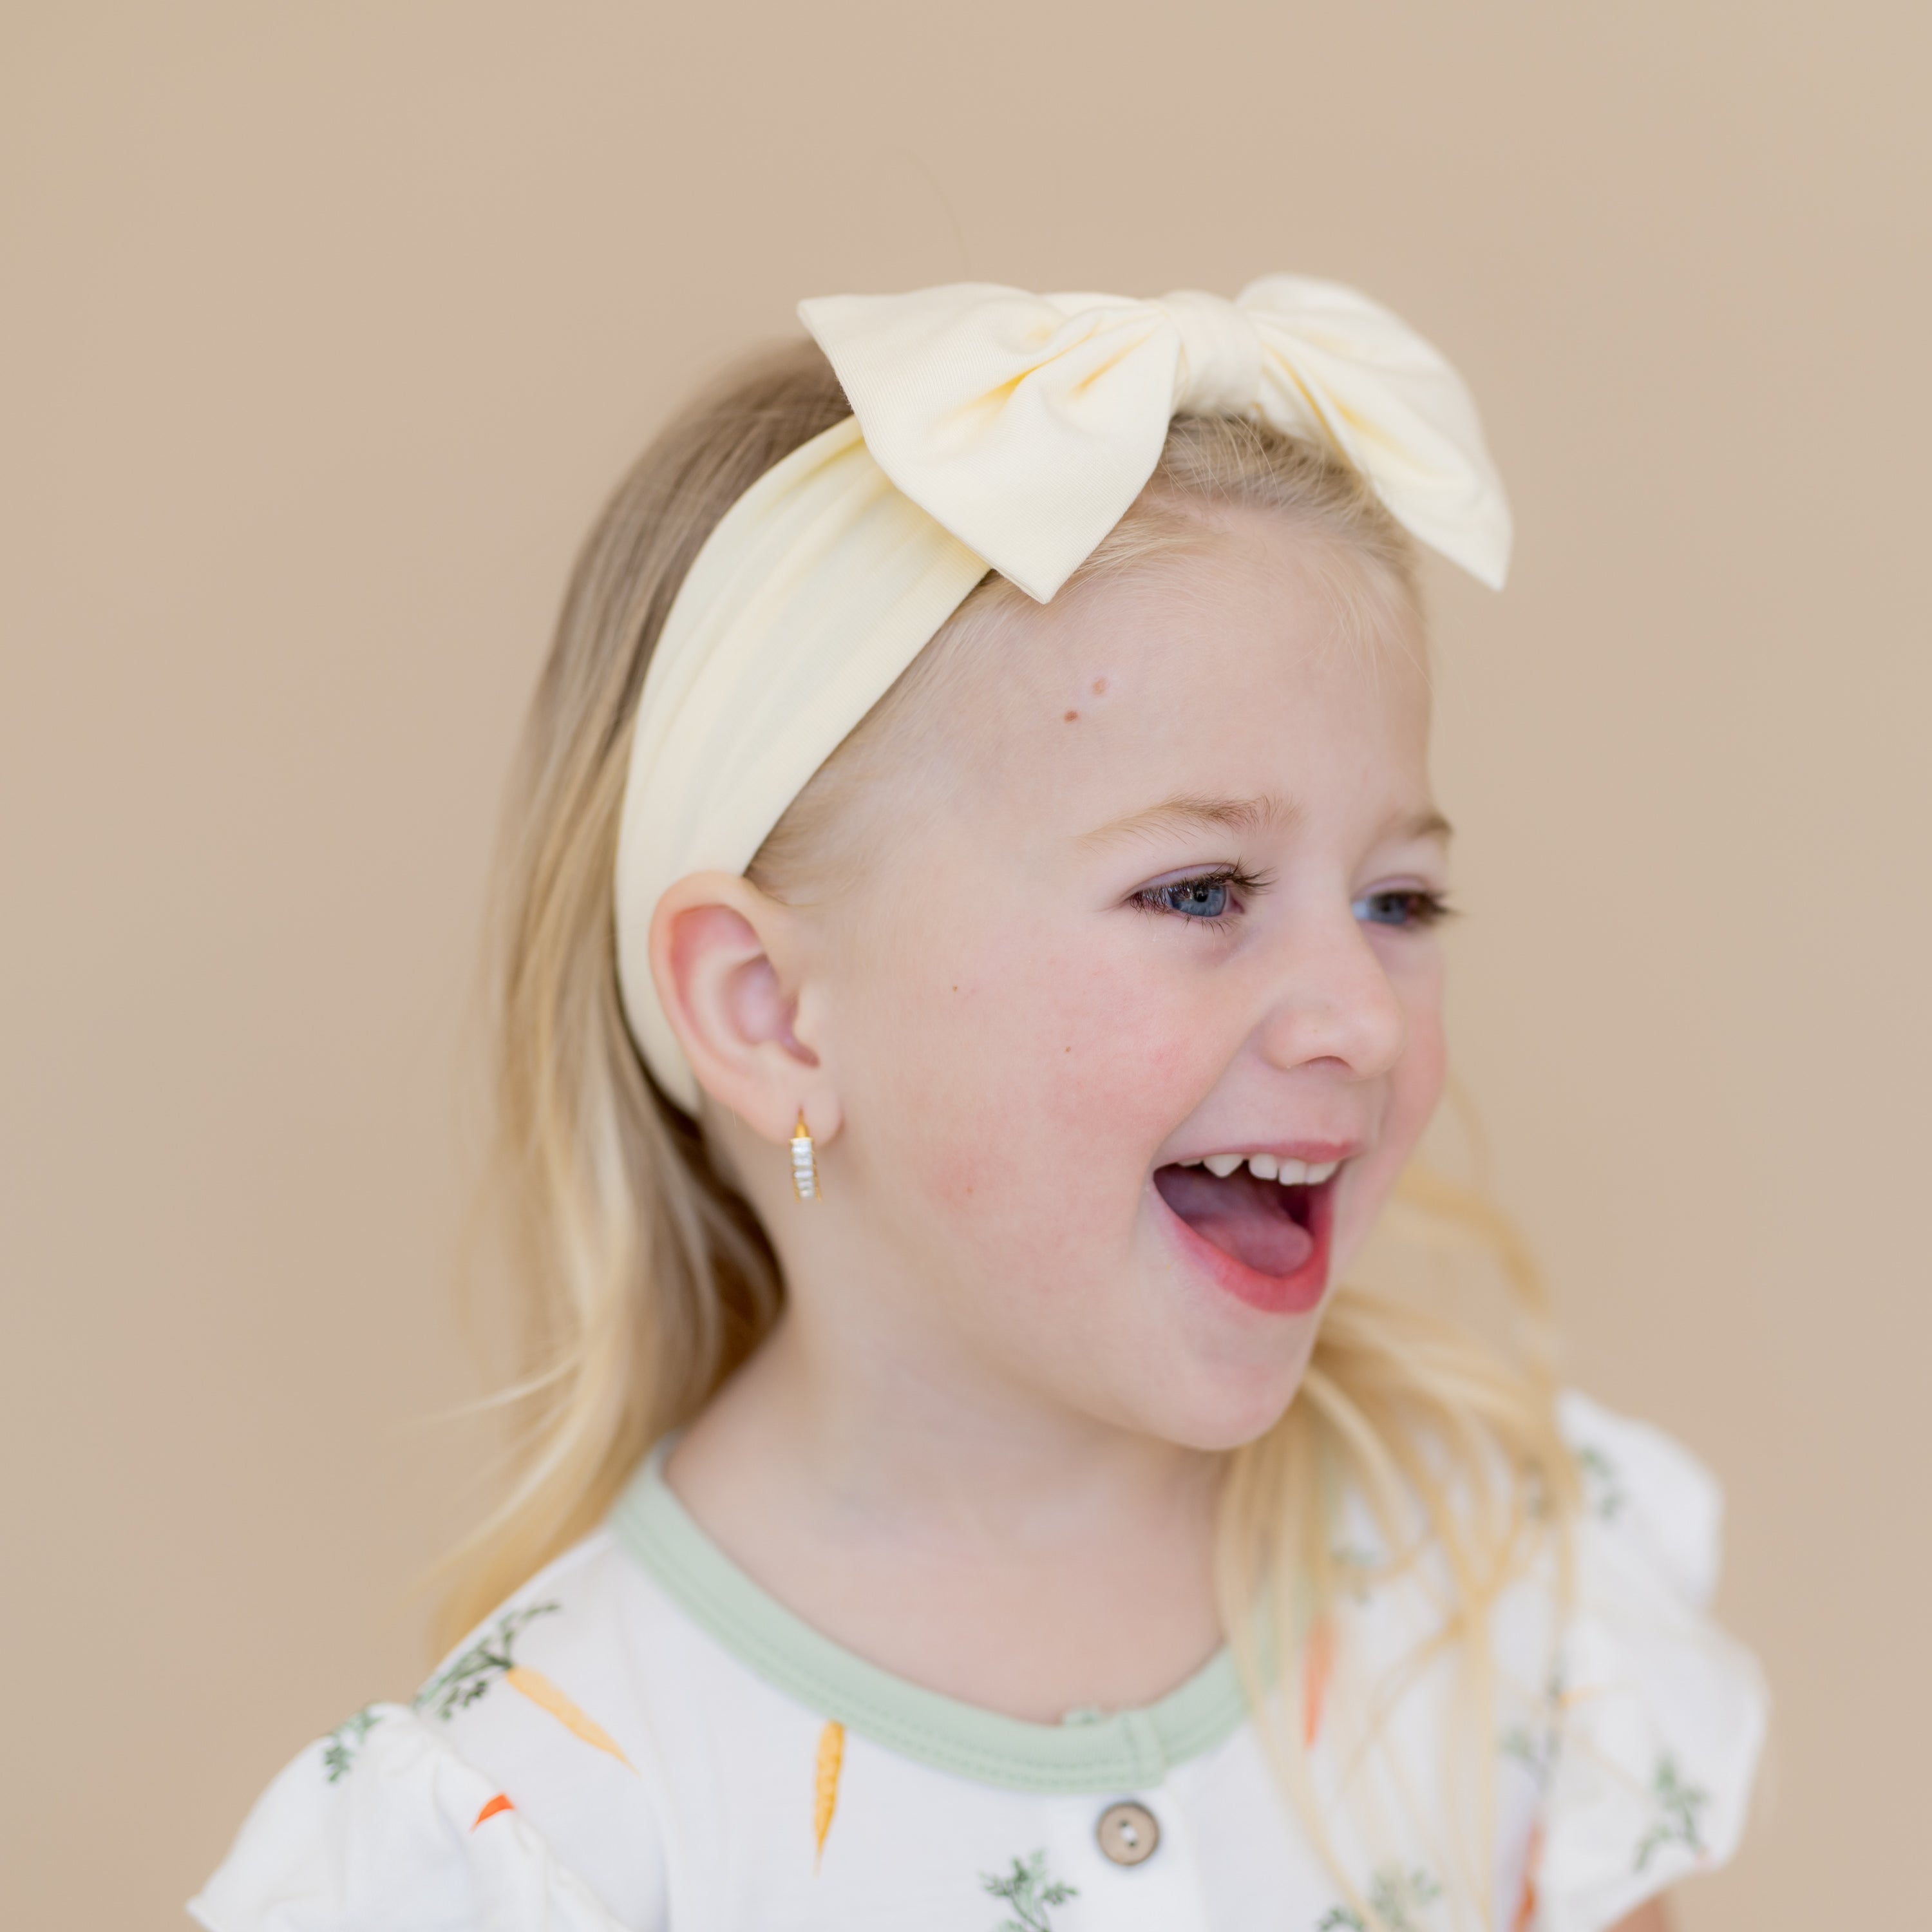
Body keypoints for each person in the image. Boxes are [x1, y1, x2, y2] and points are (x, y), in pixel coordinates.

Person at [191, 279, 1766, 1932]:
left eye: (1399, 905)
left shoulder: (1505, 1587)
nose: (1362, 1017)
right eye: (1203, 890)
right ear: (771, 1011)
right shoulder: (557, 1821)